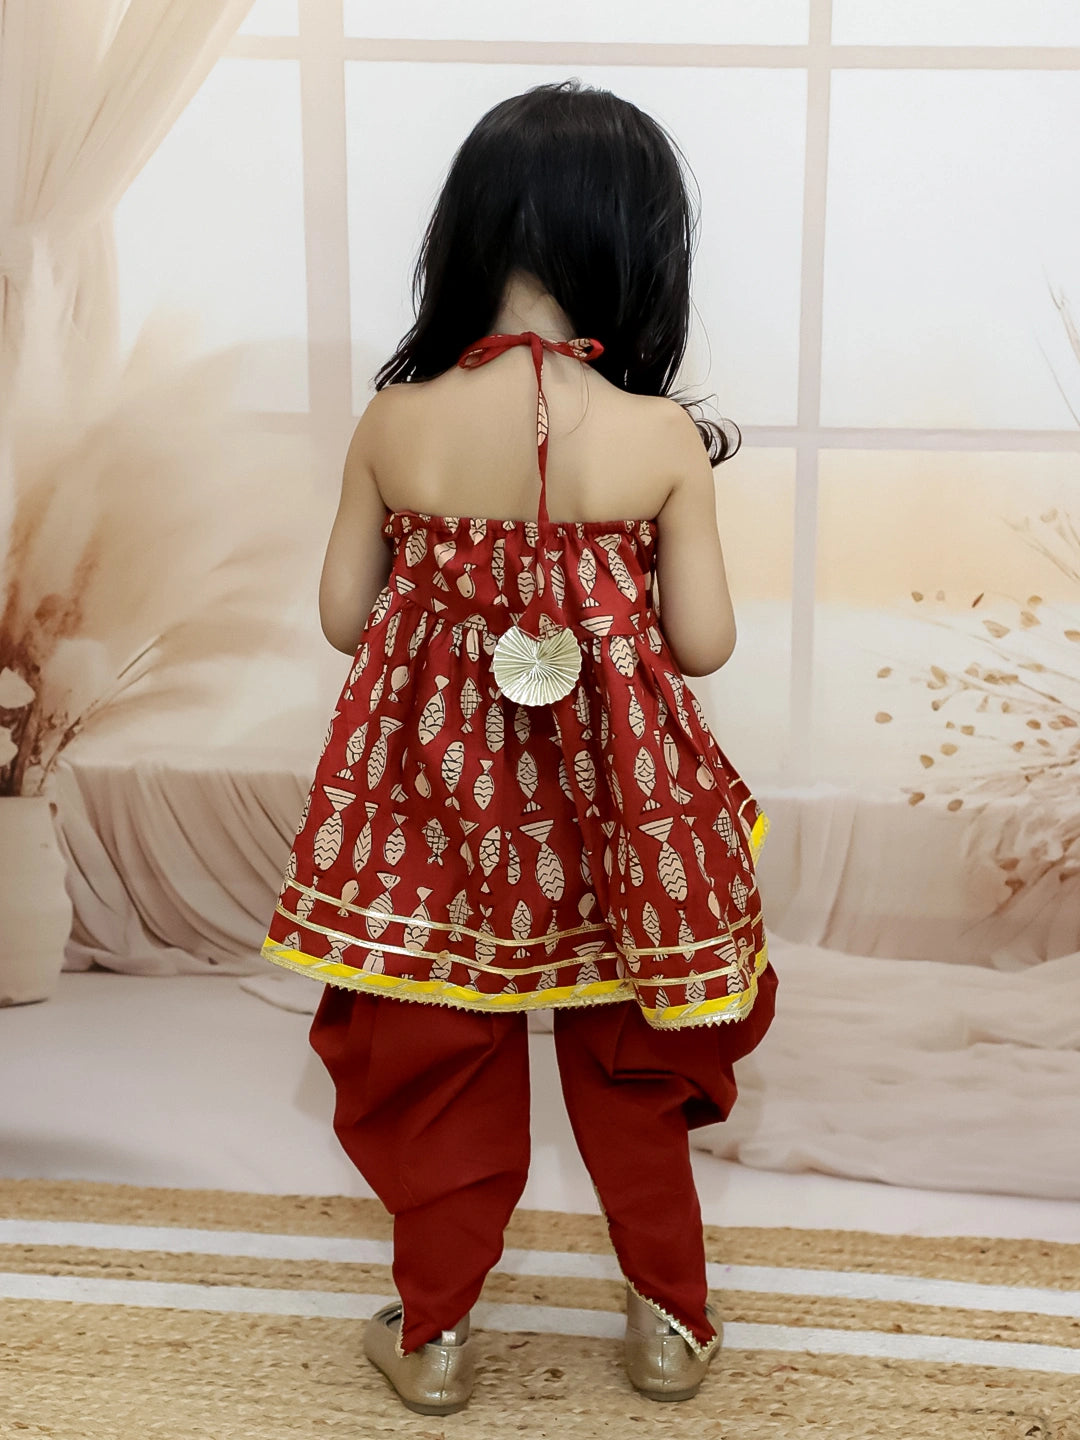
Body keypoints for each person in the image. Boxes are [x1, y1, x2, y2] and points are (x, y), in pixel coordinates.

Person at [260, 77, 778, 1417]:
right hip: (619, 814)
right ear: (640, 247)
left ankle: (433, 1335)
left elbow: (341, 619)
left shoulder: (397, 421)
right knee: (631, 1056)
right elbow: (705, 643)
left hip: (435, 807)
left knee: (437, 1055)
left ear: (466, 235)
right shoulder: (659, 437)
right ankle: (670, 1322)